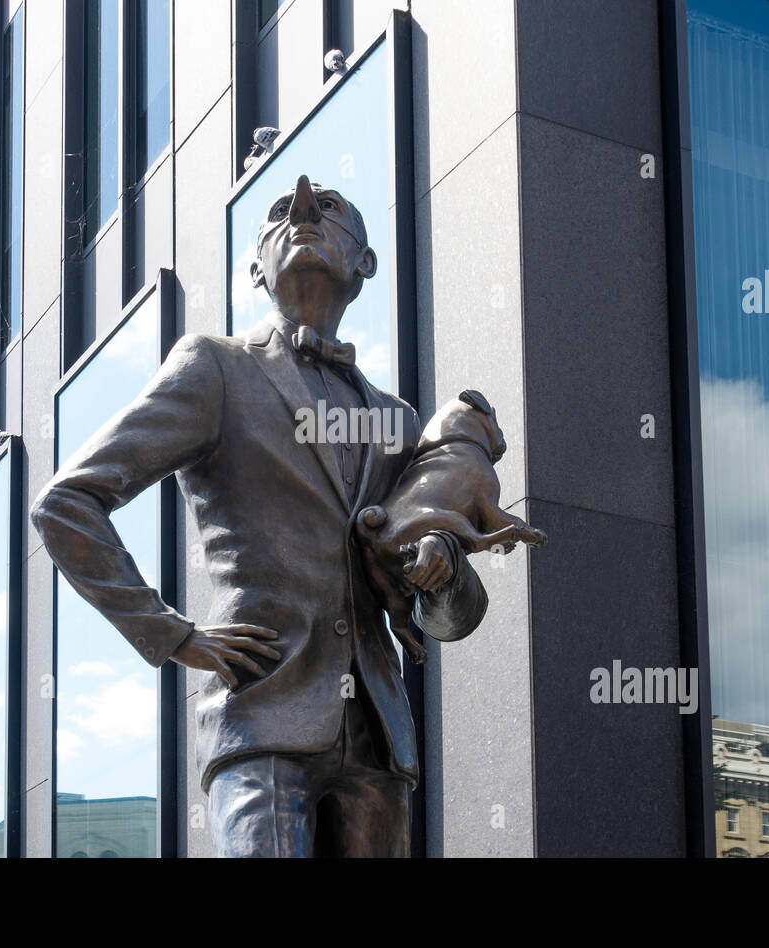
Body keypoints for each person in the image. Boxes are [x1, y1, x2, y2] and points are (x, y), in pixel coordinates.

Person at [30, 175, 487, 857]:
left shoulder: (399, 422)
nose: (304, 209)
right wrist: (171, 634)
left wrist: (442, 570)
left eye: (328, 209)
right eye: (282, 213)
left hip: (377, 746)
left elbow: (450, 621)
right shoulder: (215, 368)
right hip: (261, 721)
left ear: (364, 261)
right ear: (255, 268)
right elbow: (65, 503)